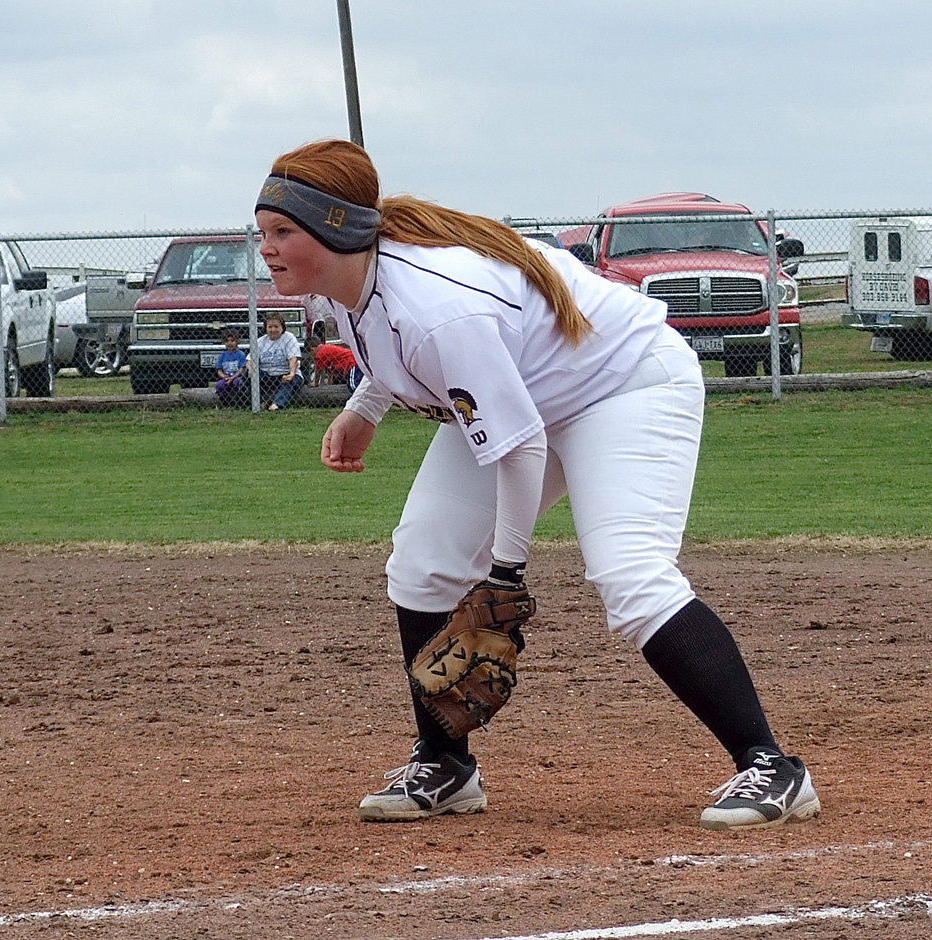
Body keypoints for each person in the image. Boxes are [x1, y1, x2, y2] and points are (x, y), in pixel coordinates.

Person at [254, 139, 821, 832]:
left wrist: (505, 570)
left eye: (283, 231)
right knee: (424, 561)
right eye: (264, 233)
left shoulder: (438, 305)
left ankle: (771, 766)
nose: (268, 249)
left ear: (338, 230)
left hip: (623, 384)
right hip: (530, 394)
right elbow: (395, 341)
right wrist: (365, 408)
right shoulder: (348, 281)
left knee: (630, 572)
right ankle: (445, 764)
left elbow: (515, 443)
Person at [256, 312, 303, 410]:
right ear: (265, 328)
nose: (273, 329)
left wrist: (292, 373)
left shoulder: (289, 338)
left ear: (282, 327)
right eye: (270, 327)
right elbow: (250, 360)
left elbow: (293, 358)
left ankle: (277, 404)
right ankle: (261, 402)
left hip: (285, 373)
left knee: (292, 381)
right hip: (268, 375)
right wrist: (251, 370)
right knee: (246, 375)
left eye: (276, 326)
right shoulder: (260, 341)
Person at [214, 328, 249, 406]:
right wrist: (224, 376)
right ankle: (225, 402)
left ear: (237, 341)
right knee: (220, 384)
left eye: (232, 341)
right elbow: (219, 370)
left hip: (237, 377)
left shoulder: (241, 354)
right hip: (226, 377)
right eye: (227, 341)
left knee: (238, 383)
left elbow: (242, 369)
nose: (229, 343)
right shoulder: (223, 355)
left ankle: (240, 401)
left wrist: (233, 377)